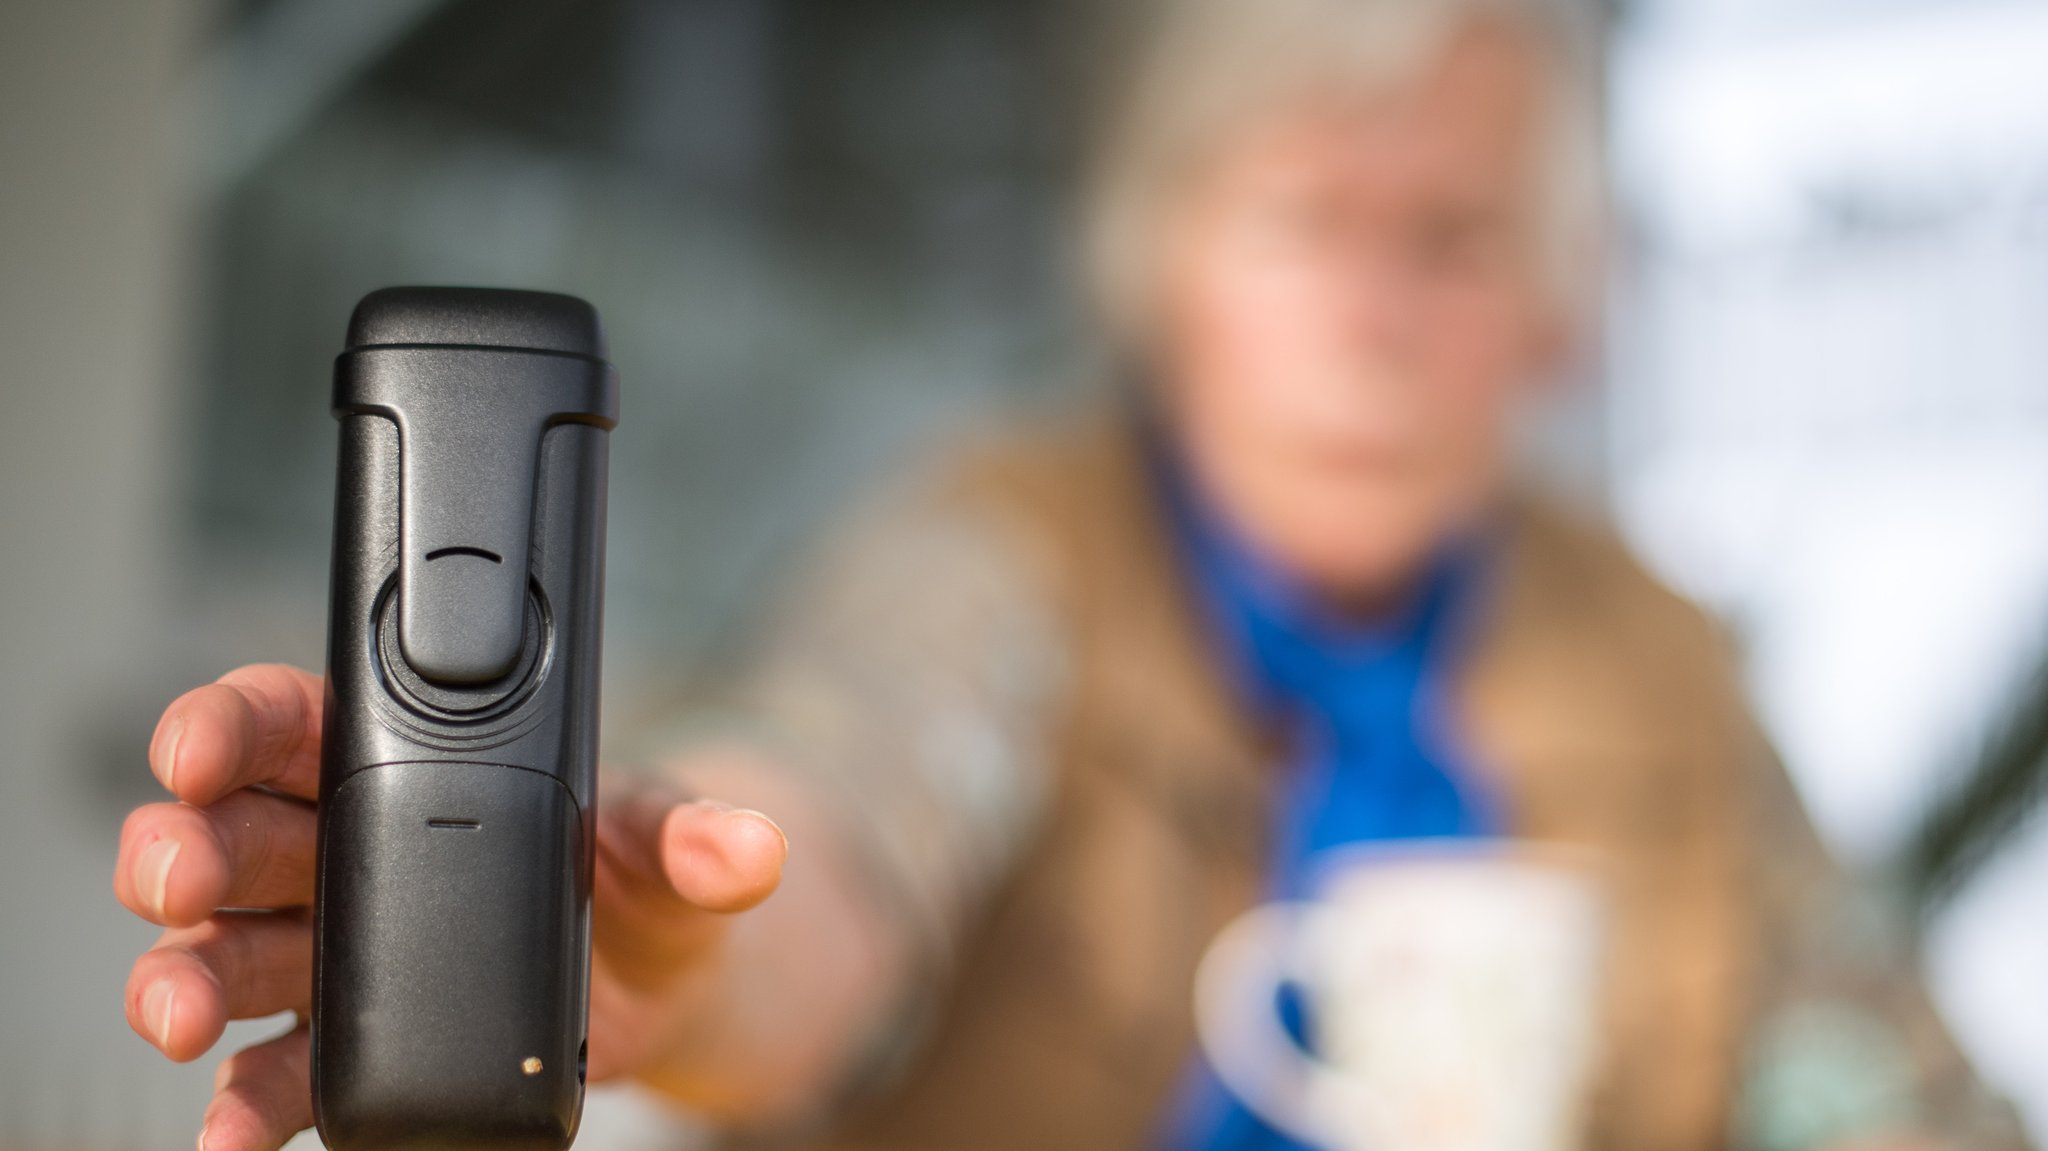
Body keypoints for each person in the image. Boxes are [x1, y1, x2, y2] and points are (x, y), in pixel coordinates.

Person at [114, 0, 2031, 1149]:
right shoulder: (1005, 548)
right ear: (1165, 271)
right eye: (1304, 225)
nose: (1370, 315)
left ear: (1548, 312)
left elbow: (1884, 1089)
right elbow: (837, 800)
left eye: (1446, 240)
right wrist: (661, 962)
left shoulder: (1656, 657)